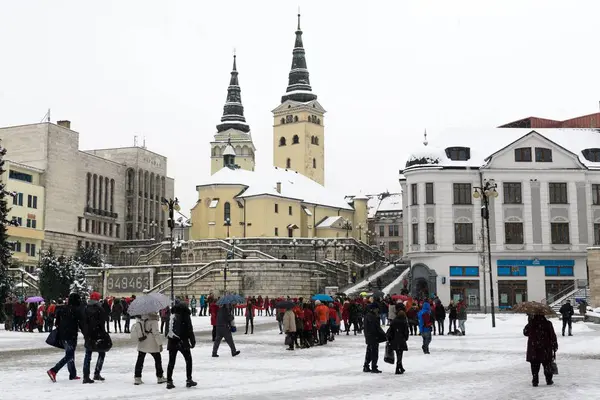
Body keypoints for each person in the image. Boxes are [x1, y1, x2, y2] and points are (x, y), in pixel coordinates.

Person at [47, 293, 84, 382]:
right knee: (69, 355)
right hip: (71, 334)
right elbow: (80, 323)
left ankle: (72, 374)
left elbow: (57, 322)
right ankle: (54, 370)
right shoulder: (76, 310)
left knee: (70, 354)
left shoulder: (63, 309)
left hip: (63, 334)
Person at [82, 292, 112, 384]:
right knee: (101, 353)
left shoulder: (86, 308)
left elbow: (83, 323)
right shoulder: (100, 309)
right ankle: (97, 373)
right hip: (98, 334)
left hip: (89, 335)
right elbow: (102, 323)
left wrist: (85, 333)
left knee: (88, 355)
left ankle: (86, 376)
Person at [166, 301, 197, 389]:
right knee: (188, 360)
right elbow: (189, 329)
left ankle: (169, 381)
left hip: (172, 340)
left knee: (171, 361)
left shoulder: (172, 314)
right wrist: (192, 341)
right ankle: (189, 379)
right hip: (183, 340)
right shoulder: (185, 315)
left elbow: (167, 329)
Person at [132, 312, 166, 385]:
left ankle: (137, 377)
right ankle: (160, 376)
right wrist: (160, 344)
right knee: (157, 359)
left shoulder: (140, 318)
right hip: (152, 342)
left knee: (140, 360)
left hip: (142, 341)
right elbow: (156, 333)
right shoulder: (153, 320)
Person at [523, 314, 558, 387]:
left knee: (534, 365)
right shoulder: (548, 323)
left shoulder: (531, 323)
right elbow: (552, 335)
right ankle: (549, 380)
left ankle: (535, 380)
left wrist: (529, 323)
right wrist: (555, 344)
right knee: (547, 364)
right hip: (546, 347)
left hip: (534, 348)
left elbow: (525, 333)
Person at [363, 303, 385, 373]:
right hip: (373, 337)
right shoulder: (372, 317)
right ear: (373, 309)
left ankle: (366, 366)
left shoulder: (368, 316)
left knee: (369, 352)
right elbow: (376, 328)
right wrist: (384, 335)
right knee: (374, 353)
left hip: (369, 337)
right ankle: (374, 367)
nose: (377, 310)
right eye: (376, 308)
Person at [387, 306, 409, 375]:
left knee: (398, 354)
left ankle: (401, 367)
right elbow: (406, 332)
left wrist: (390, 339)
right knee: (400, 355)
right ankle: (397, 368)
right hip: (401, 340)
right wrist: (405, 338)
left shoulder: (394, 321)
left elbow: (390, 331)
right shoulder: (404, 322)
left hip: (394, 340)